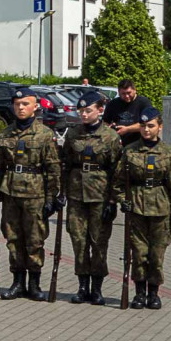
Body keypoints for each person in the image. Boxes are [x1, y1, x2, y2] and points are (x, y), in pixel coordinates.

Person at [0, 87, 61, 301]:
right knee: (13, 238)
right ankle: (17, 282)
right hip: (10, 192)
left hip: (35, 194)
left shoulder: (45, 135)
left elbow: (53, 169)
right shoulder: (5, 133)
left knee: (34, 240)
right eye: (17, 104)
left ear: (35, 107)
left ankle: (34, 284)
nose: (20, 108)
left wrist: (52, 198)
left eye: (25, 104)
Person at [111, 107, 171, 310]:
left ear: (159, 127)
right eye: (143, 126)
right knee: (139, 254)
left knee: (156, 255)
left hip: (161, 210)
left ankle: (154, 293)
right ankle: (139, 293)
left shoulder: (168, 153)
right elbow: (117, 183)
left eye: (150, 126)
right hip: (136, 209)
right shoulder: (130, 151)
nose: (146, 130)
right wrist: (122, 199)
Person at [59, 90, 123, 305]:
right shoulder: (73, 134)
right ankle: (82, 286)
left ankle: (97, 288)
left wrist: (113, 201)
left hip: (100, 196)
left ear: (100, 111)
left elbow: (117, 171)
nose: (84, 115)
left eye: (88, 111)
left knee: (98, 242)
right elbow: (65, 165)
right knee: (79, 241)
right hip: (77, 195)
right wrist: (62, 193)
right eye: (81, 111)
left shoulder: (110, 137)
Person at [102, 78, 152, 147]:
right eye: (123, 94)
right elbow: (105, 122)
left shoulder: (144, 103)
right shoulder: (112, 104)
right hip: (117, 144)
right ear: (119, 92)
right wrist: (109, 128)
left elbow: (148, 124)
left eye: (129, 93)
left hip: (139, 144)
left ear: (135, 90)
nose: (126, 96)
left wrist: (127, 129)